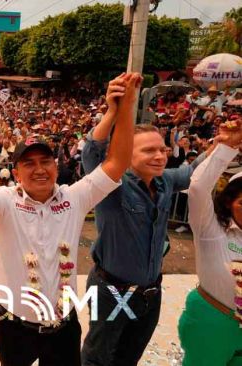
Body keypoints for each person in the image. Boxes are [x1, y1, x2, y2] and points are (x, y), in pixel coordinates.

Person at [0, 73, 140, 366]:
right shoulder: (7, 201)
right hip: (12, 325)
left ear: (56, 167)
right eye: (29, 164)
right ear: (16, 174)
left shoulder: (75, 198)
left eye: (45, 161)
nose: (39, 170)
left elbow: (117, 163)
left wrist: (125, 108)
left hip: (63, 328)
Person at [80, 77, 208, 365]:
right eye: (149, 150)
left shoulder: (164, 183)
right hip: (112, 291)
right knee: (98, 357)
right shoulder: (111, 186)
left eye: (162, 149)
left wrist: (224, 144)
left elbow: (194, 172)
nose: (160, 156)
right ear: (126, 155)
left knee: (129, 357)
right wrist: (113, 111)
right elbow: (91, 154)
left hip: (151, 293)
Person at [177, 123, 242, 366]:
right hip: (212, 319)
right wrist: (226, 148)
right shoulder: (210, 228)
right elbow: (198, 188)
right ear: (227, 203)